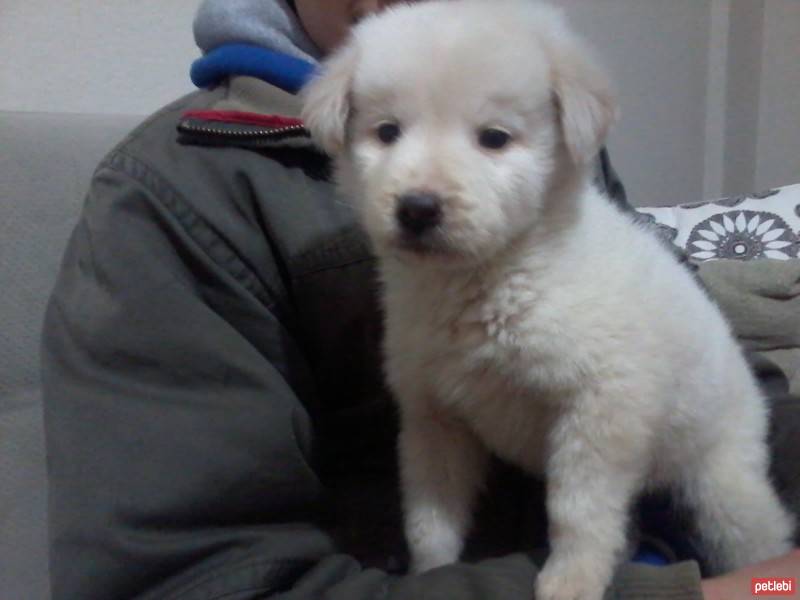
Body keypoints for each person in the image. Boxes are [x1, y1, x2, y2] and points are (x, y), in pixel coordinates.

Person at [42, 1, 798, 599]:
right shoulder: (175, 197)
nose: (425, 186)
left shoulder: (551, 125)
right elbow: (190, 574)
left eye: (494, 138)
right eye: (389, 130)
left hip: (690, 541)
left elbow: (721, 379)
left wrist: (761, 582)